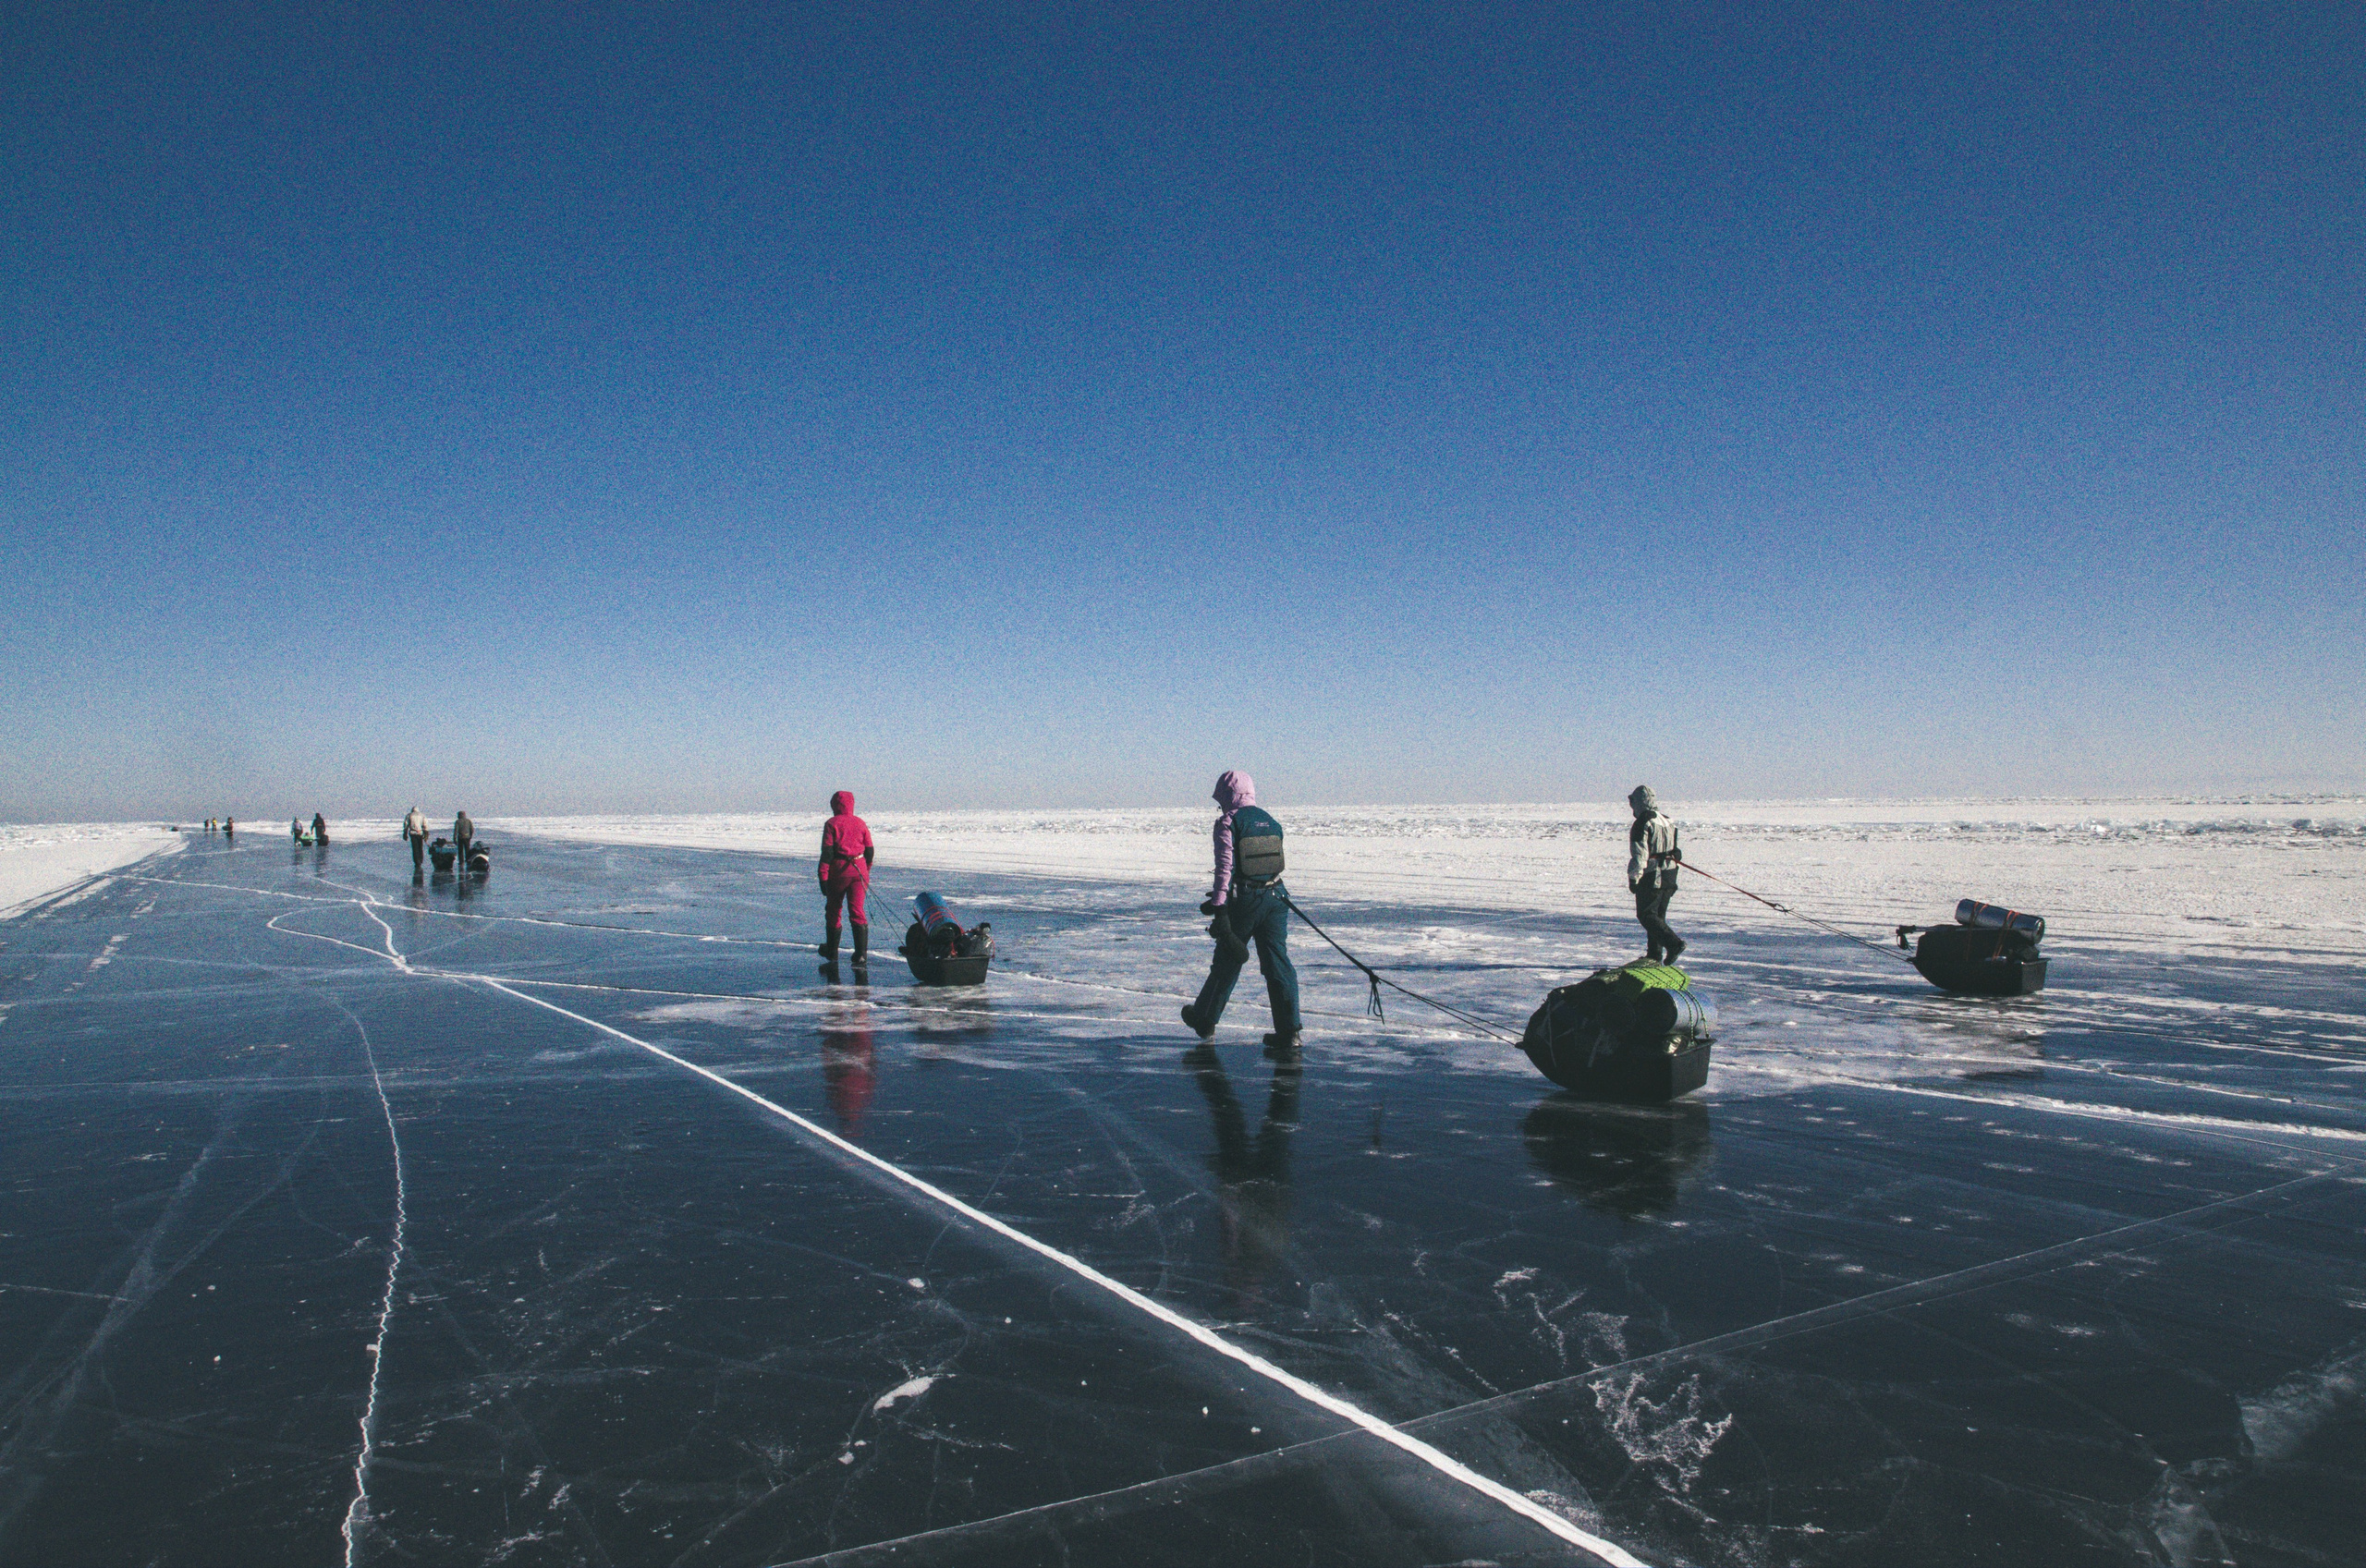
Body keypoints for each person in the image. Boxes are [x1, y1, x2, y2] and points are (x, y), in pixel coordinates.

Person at [1181, 771, 1302, 1056]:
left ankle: (1204, 1020)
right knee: (1278, 964)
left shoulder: (1228, 822)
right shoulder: (1271, 821)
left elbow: (1226, 868)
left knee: (1228, 959)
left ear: (1227, 796)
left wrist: (1220, 906)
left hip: (1245, 901)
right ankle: (1290, 1032)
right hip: (1276, 898)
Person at [1628, 784, 1684, 965]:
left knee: (1646, 915)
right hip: (1669, 875)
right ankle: (1654, 955)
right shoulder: (1668, 820)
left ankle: (1673, 944)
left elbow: (1640, 854)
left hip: (1654, 874)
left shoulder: (1643, 822)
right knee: (1658, 917)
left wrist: (1634, 877)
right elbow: (1675, 850)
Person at [816, 790, 875, 963]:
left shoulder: (831, 824)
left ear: (834, 805)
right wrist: (865, 870)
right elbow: (870, 851)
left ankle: (832, 952)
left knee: (834, 910)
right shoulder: (860, 823)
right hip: (859, 870)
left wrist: (823, 877)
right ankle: (861, 954)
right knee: (857, 910)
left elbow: (827, 854)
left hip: (838, 872)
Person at [403, 806, 430, 871]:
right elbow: (425, 824)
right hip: (420, 833)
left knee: (415, 848)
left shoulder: (409, 815)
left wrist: (405, 833)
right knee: (420, 847)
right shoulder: (422, 815)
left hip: (413, 833)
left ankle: (417, 862)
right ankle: (420, 860)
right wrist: (426, 833)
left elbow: (406, 825)